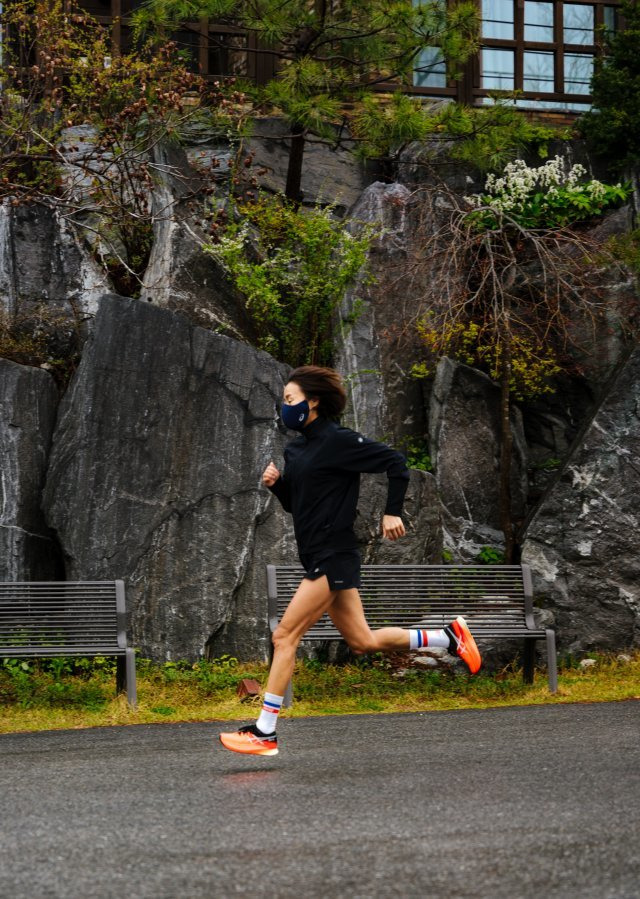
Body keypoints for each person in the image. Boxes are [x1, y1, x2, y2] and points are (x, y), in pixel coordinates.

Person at [219, 366, 481, 756]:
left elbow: (396, 462)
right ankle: (449, 637)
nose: (284, 407)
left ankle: (265, 731)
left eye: (290, 400)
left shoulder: (337, 440)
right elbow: (298, 506)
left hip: (334, 552)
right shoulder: (296, 449)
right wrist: (278, 487)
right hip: (317, 552)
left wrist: (392, 512)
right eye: (284, 401)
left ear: (314, 402)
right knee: (362, 640)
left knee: (284, 637)